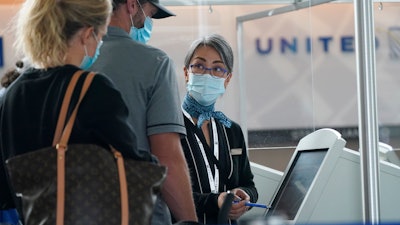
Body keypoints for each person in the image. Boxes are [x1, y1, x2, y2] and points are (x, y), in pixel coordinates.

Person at [0, 0, 153, 223]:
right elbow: (134, 169)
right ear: (87, 34)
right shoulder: (93, 89)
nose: (99, 43)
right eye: (100, 36)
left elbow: (4, 191)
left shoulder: (11, 94)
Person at [90, 0, 198, 224]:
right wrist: (190, 220)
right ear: (131, 5)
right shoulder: (155, 63)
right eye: (148, 14)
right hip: (138, 212)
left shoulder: (65, 61)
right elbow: (166, 156)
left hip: (75, 210)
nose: (147, 23)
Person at [180, 34, 258, 224]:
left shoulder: (232, 131)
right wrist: (216, 201)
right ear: (186, 72)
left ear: (227, 78)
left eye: (217, 68)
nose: (207, 74)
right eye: (199, 65)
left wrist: (245, 198)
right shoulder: (170, 128)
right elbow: (166, 192)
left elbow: (249, 185)